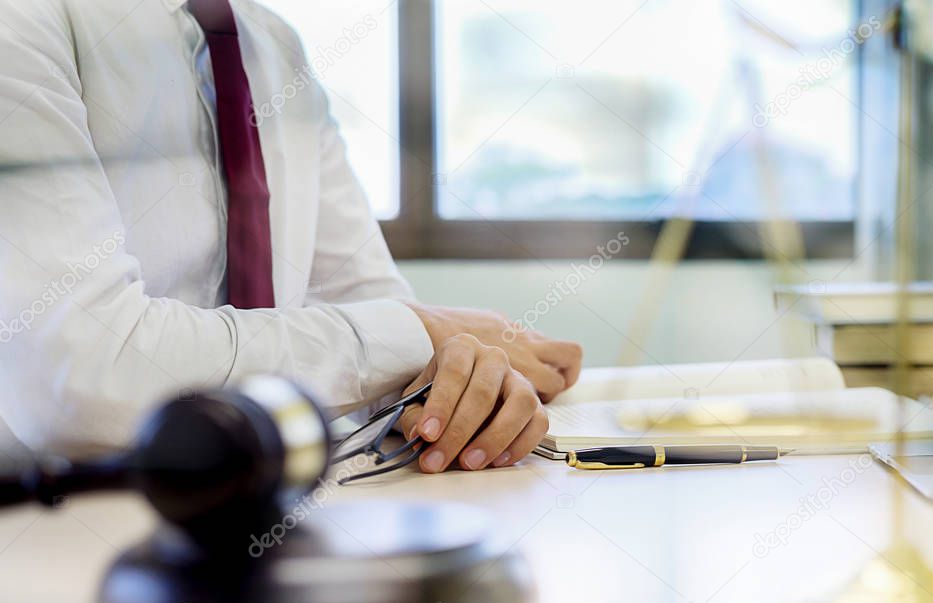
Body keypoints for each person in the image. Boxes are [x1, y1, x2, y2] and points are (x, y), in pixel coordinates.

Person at [0, 0, 582, 472]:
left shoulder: (274, 46)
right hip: (57, 529)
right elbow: (78, 378)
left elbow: (367, 309)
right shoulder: (23, 22)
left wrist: (454, 381)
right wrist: (418, 333)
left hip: (276, 504)